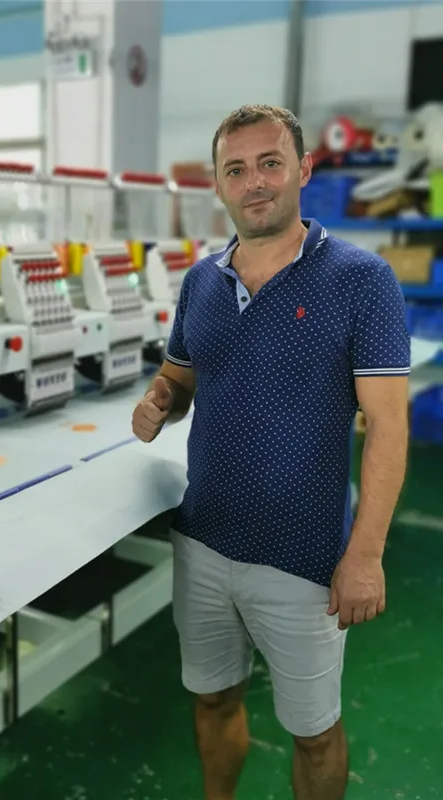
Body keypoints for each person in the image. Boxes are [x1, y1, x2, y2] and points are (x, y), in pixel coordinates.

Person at [132, 104, 410, 800]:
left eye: (269, 163)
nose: (253, 182)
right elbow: (180, 377)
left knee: (313, 732)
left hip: (305, 556)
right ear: (218, 185)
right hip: (204, 540)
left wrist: (365, 555)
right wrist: (160, 400)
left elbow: (388, 426)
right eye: (235, 169)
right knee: (213, 700)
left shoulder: (361, 280)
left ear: (302, 170)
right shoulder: (201, 282)